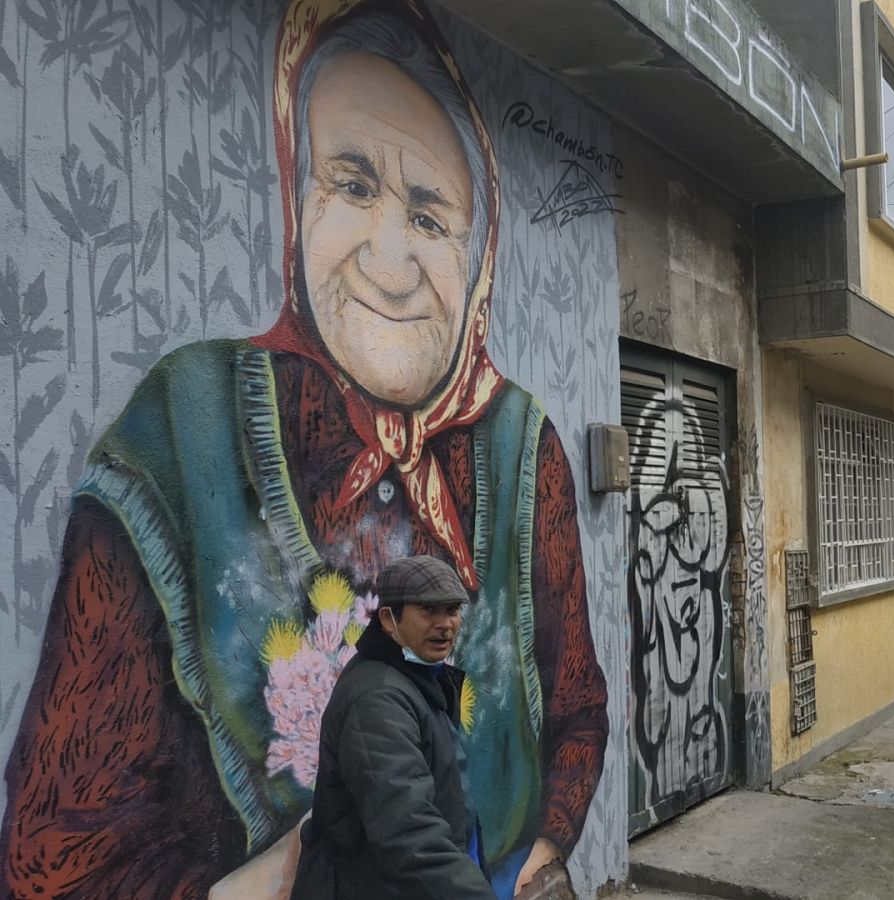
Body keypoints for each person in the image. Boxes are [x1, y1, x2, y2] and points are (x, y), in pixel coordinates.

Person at [1, 4, 607, 897]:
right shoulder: (184, 432)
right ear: (295, 199)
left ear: (479, 264)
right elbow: (51, 857)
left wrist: (545, 857)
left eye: (433, 218)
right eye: (352, 185)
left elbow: (577, 708)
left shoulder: (524, 446)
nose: (392, 260)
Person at [293, 556, 495, 899]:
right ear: (388, 619)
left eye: (452, 610)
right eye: (429, 611)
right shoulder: (378, 700)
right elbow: (408, 832)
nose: (445, 624)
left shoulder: (419, 678)